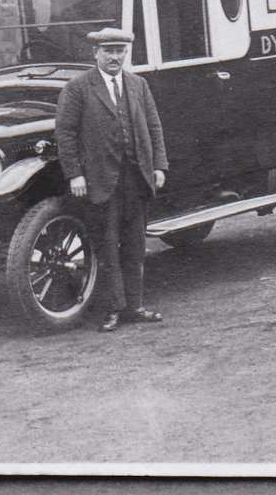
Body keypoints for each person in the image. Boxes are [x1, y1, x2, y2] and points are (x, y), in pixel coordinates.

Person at [56, 27, 169, 332]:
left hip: (137, 178)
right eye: (108, 51)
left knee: (135, 246)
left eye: (120, 51)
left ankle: (135, 306)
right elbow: (65, 134)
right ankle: (112, 310)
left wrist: (159, 166)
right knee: (106, 247)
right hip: (100, 181)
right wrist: (75, 174)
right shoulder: (78, 88)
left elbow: (154, 127)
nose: (115, 57)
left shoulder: (138, 85)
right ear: (95, 54)